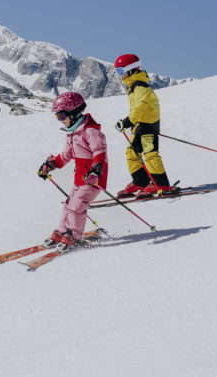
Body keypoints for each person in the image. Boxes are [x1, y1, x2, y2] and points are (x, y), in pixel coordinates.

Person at [37, 92, 107, 252]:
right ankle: (63, 231)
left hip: (94, 178)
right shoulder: (72, 133)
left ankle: (74, 236)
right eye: (57, 116)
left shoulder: (91, 131)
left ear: (74, 113)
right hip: (80, 178)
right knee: (68, 204)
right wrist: (50, 165)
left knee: (77, 206)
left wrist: (96, 170)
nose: (60, 120)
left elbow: (99, 151)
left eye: (61, 116)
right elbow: (65, 156)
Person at [112, 53, 180, 197]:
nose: (120, 75)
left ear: (131, 69)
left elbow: (141, 106)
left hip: (148, 124)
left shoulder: (140, 86)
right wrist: (131, 122)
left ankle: (161, 184)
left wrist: (126, 121)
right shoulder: (132, 86)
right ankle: (141, 182)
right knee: (131, 153)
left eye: (121, 71)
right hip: (138, 125)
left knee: (150, 154)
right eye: (117, 71)